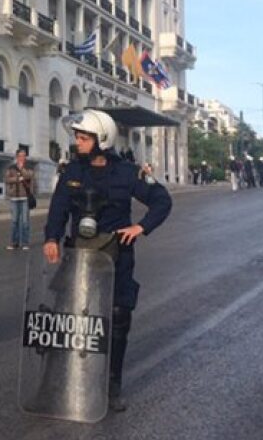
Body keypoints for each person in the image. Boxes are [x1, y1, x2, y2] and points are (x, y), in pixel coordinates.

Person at [45, 111, 172, 412]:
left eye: (84, 137)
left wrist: (141, 227)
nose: (78, 142)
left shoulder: (128, 172)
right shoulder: (72, 172)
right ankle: (61, 380)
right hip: (80, 254)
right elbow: (58, 208)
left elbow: (162, 200)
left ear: (102, 139)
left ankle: (112, 384)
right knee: (69, 315)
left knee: (117, 316)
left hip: (116, 253)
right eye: (77, 136)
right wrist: (51, 238)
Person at [4, 149, 34, 250]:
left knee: (25, 222)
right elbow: (7, 179)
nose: (22, 157)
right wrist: (17, 179)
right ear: (16, 157)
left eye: (24, 156)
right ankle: (14, 242)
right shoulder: (11, 168)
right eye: (20, 156)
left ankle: (25, 243)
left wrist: (22, 169)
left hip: (25, 197)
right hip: (14, 198)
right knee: (14, 221)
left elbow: (29, 176)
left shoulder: (28, 167)